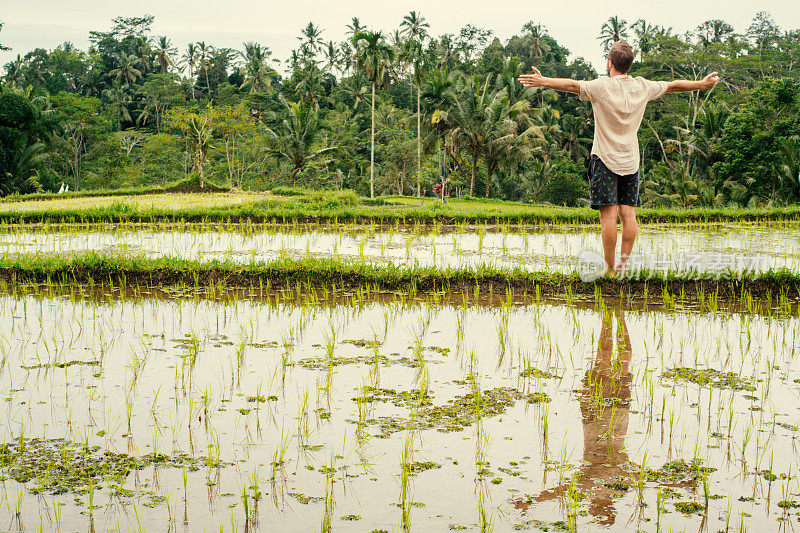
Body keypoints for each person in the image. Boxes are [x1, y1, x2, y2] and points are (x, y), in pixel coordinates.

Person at [519, 41, 720, 275]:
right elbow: (674, 85)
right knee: (628, 214)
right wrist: (703, 84)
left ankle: (610, 269)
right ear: (629, 65)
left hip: (605, 159)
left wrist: (543, 81)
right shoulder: (642, 87)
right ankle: (623, 267)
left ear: (610, 63)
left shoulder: (601, 86)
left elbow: (572, 85)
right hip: (630, 161)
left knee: (609, 215)